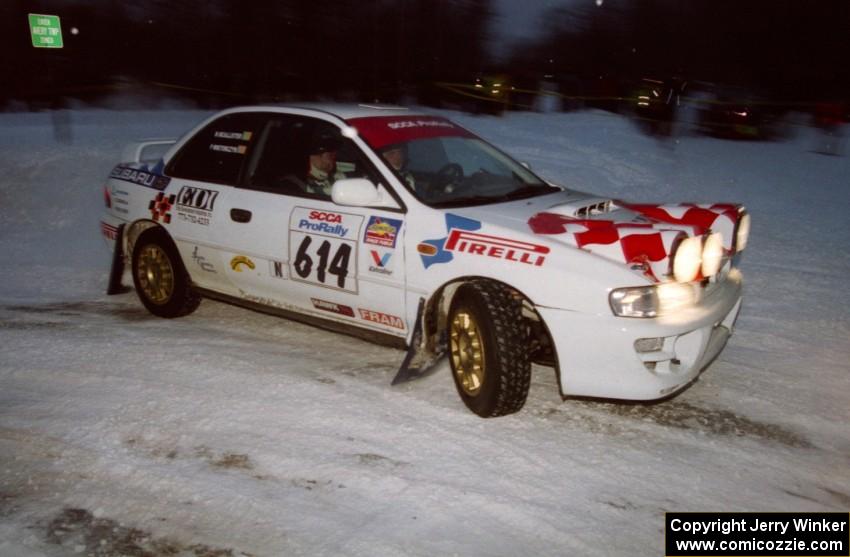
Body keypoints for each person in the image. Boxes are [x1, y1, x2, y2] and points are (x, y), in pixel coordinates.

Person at [304, 131, 346, 197]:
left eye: (334, 153)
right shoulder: (295, 185)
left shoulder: (335, 176)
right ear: (314, 155)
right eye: (330, 154)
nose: (333, 157)